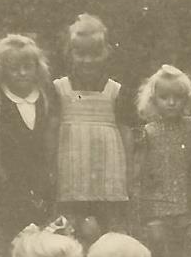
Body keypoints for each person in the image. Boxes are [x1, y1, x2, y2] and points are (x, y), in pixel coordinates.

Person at [51, 14, 133, 241]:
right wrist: (51, 165)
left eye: (95, 53)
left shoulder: (114, 90)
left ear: (107, 52)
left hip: (108, 171)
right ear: (69, 53)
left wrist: (129, 170)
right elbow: (52, 129)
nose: (88, 60)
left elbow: (125, 130)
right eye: (81, 53)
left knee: (110, 224)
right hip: (71, 170)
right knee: (68, 224)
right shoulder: (60, 89)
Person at [133, 64, 191, 257]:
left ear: (186, 99)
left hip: (189, 192)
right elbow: (140, 166)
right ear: (153, 100)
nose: (171, 102)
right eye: (164, 97)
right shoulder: (149, 130)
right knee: (158, 236)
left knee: (188, 234)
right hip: (160, 193)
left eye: (178, 97)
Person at [0, 34, 54, 234]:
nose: (22, 73)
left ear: (38, 68)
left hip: (38, 172)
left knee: (41, 224)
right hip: (9, 176)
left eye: (28, 67)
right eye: (14, 68)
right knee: (12, 227)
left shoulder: (44, 96)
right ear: (2, 70)